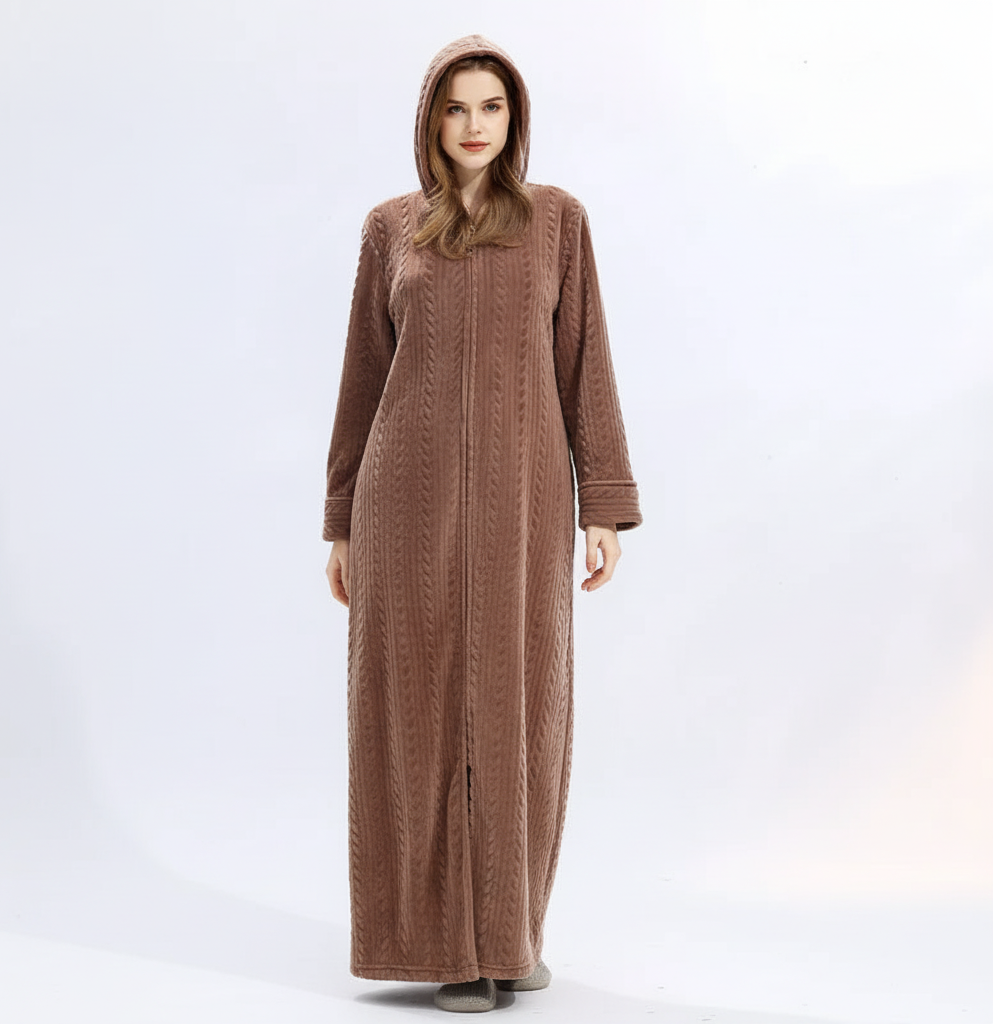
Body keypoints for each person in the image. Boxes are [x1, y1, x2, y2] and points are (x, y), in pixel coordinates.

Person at [322, 34, 643, 1013]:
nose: (473, 125)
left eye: (490, 107)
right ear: (431, 119)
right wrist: (340, 520)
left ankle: (509, 934)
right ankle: (449, 953)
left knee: (521, 714)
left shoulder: (556, 223)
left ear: (514, 118)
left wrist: (604, 505)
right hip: (403, 509)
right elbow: (362, 378)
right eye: (456, 108)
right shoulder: (390, 229)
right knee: (415, 717)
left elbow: (585, 361)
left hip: (524, 508)